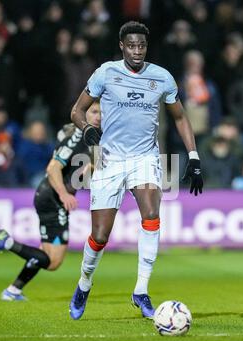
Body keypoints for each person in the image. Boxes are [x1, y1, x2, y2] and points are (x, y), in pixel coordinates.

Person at [69, 21, 203, 320]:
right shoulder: (105, 72)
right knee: (100, 236)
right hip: (109, 159)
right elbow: (76, 111)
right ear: (122, 46)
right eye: (131, 46)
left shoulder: (162, 78)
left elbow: (180, 118)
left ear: (147, 46)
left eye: (141, 46)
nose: (137, 51)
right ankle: (84, 283)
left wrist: (193, 156)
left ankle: (141, 291)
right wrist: (88, 128)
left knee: (152, 215)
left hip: (145, 158)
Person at [0, 101, 101, 301]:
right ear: (83, 114)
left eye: (101, 113)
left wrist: (91, 168)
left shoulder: (87, 139)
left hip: (48, 196)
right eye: (94, 112)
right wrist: (64, 195)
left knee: (42, 253)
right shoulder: (77, 138)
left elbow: (77, 166)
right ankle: (7, 242)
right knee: (53, 261)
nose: (98, 117)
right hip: (53, 198)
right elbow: (52, 168)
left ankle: (13, 290)